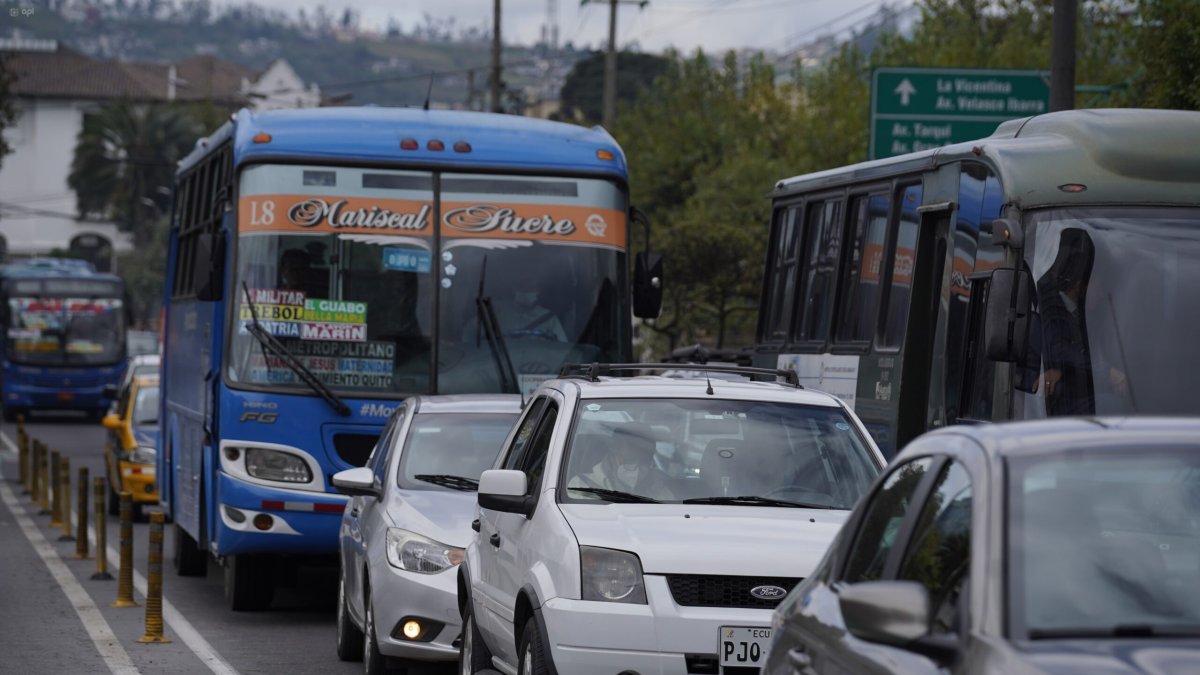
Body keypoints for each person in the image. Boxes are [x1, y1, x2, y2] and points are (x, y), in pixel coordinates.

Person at [1037, 229, 1096, 415]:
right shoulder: (1050, 310)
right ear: (1080, 281)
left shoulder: (1081, 314)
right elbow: (1061, 353)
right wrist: (1104, 372)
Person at [569, 423, 674, 500]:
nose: (638, 469)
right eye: (630, 461)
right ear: (613, 451)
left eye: (643, 462)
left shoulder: (659, 488)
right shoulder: (581, 485)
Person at [493, 277, 567, 341]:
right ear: (513, 288)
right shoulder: (497, 311)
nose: (526, 290)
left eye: (531, 287)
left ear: (538, 290)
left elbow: (561, 347)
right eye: (522, 286)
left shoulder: (549, 317)